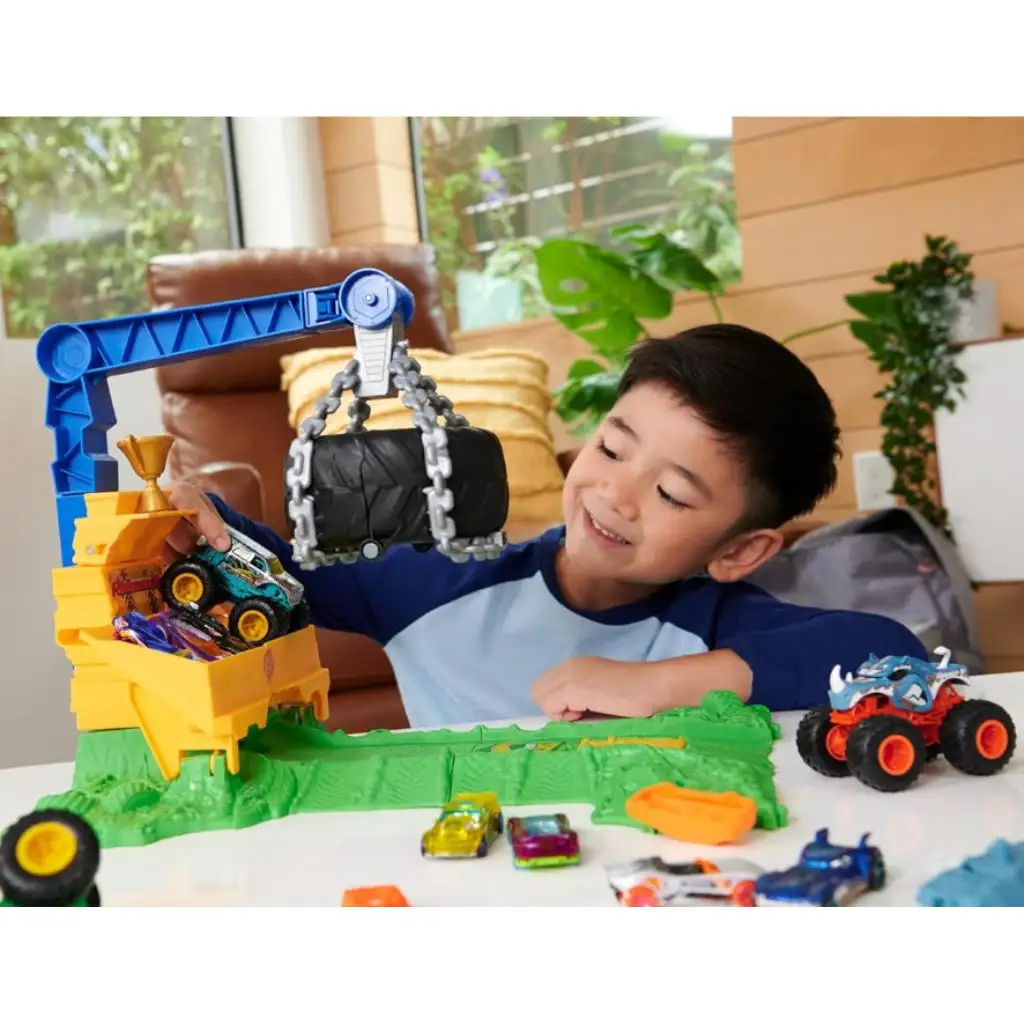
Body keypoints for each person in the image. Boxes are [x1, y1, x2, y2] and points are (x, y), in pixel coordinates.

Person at [166, 323, 926, 728]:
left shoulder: (714, 627)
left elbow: (894, 655)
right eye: (613, 449)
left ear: (739, 550)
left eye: (670, 493)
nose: (616, 494)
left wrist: (661, 686)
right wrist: (208, 520)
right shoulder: (439, 584)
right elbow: (285, 573)